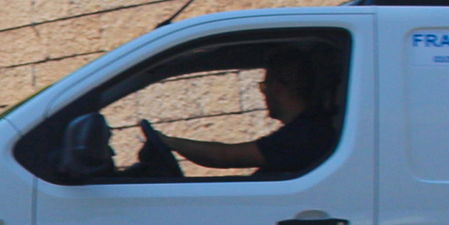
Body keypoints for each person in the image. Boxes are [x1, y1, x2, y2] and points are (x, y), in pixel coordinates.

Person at [142, 54, 342, 178]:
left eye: (264, 85)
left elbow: (223, 157)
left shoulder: (306, 134)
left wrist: (169, 142)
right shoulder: (304, 129)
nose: (263, 93)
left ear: (278, 88)